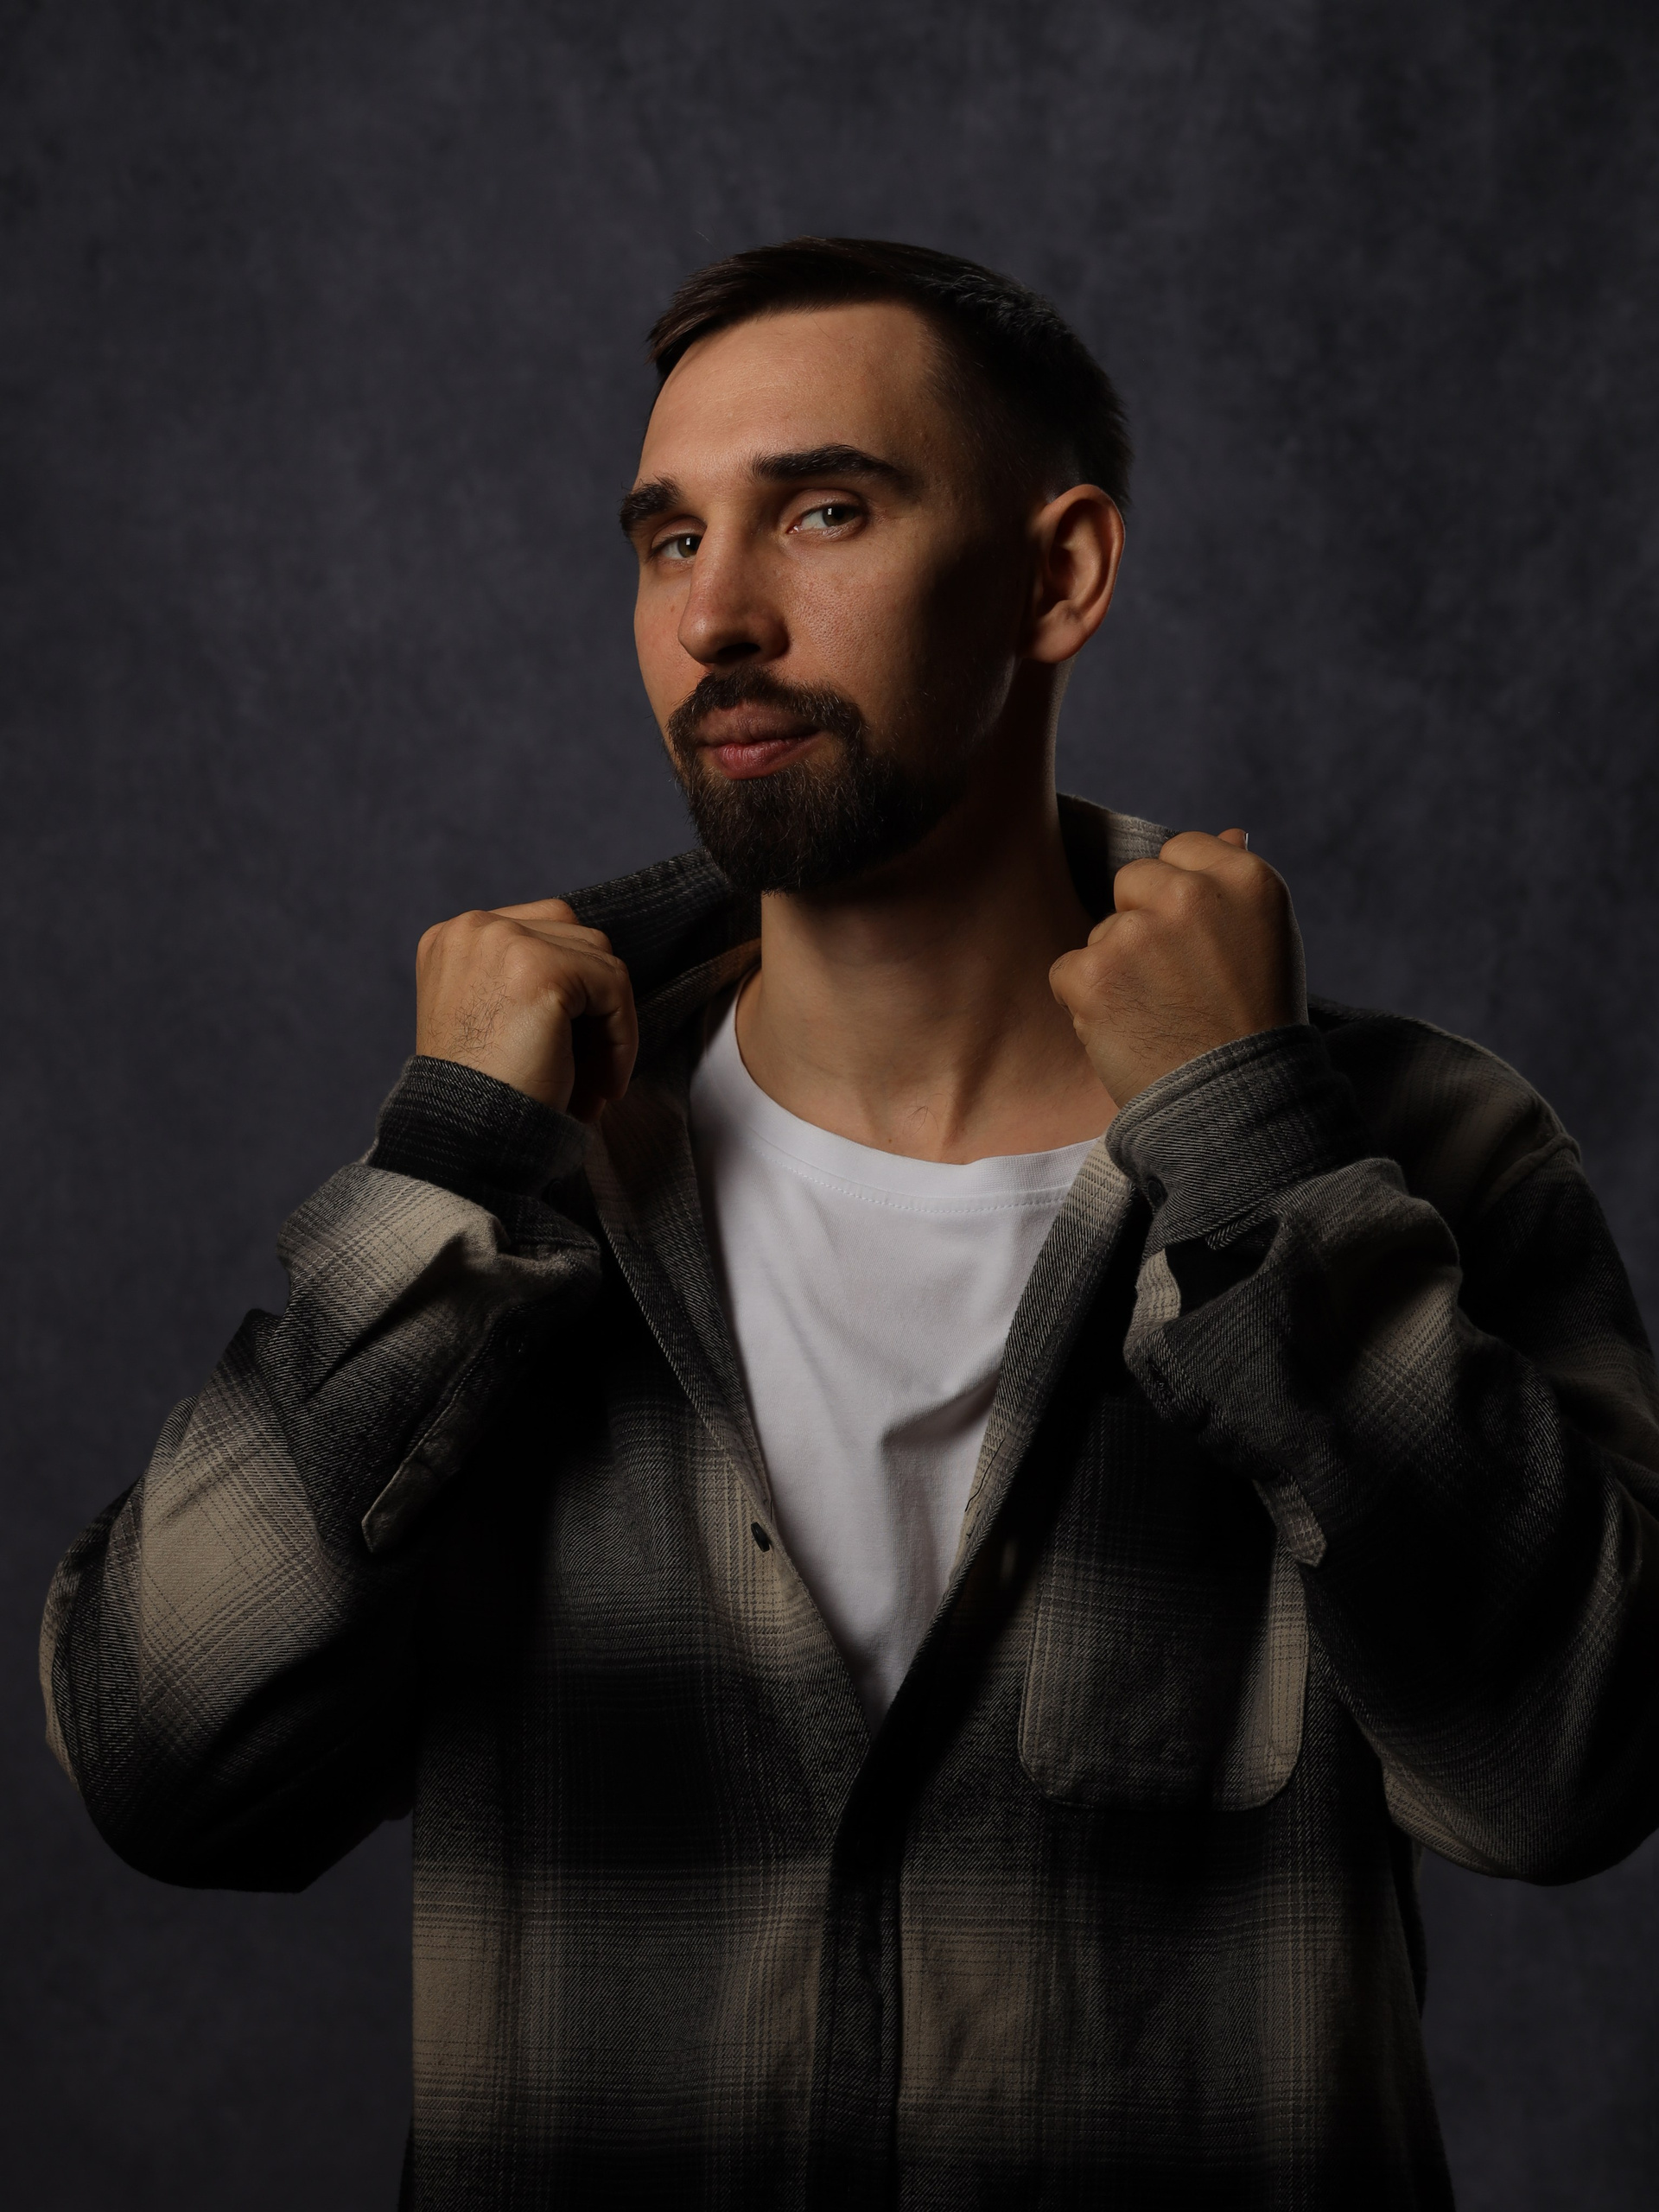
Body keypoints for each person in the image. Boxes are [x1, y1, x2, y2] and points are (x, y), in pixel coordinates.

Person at [41, 237, 1659, 2210]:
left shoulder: (1413, 1149)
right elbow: (166, 1764)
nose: (716, 614)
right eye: (667, 539)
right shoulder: (526, 1169)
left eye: (823, 512)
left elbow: (1571, 1771)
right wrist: (450, 1161)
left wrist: (1251, 1151)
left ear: (1060, 574)